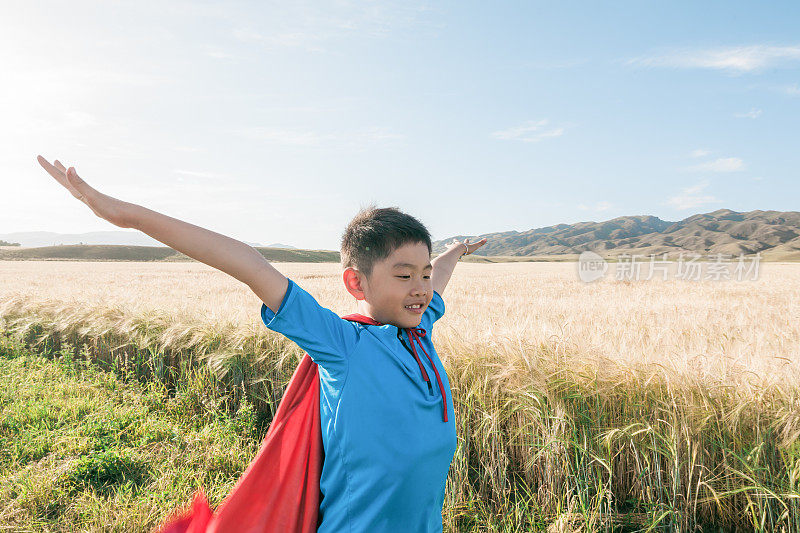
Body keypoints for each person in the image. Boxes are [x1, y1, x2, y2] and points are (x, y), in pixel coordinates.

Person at [36, 156, 487, 532]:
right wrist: (127, 216)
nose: (421, 288)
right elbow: (250, 264)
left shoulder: (422, 327)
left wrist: (453, 253)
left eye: (424, 274)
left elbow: (439, 279)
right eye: (405, 275)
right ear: (357, 283)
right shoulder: (343, 344)